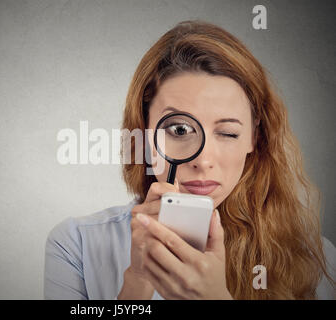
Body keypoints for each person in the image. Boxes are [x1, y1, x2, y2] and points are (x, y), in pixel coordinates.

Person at [44, 20, 336, 299]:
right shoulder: (77, 245)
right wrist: (138, 281)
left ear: (253, 137)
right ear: (144, 132)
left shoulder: (316, 261)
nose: (203, 160)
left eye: (227, 132)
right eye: (180, 129)